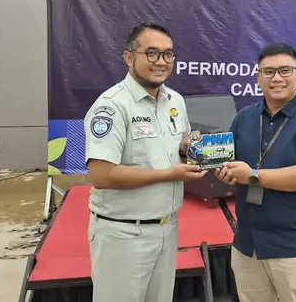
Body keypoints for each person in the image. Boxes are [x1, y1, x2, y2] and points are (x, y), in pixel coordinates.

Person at [84, 22, 206, 302]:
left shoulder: (175, 101)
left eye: (168, 54)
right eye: (151, 53)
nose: (161, 61)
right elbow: (102, 175)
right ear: (129, 57)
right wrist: (170, 174)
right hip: (123, 234)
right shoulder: (112, 106)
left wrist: (186, 148)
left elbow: (171, 152)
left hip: (167, 228)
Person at [216, 42, 296, 302]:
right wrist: (210, 161)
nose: (277, 78)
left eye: (285, 70)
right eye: (268, 72)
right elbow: (225, 158)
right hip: (248, 244)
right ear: (258, 78)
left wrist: (253, 176)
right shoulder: (245, 117)